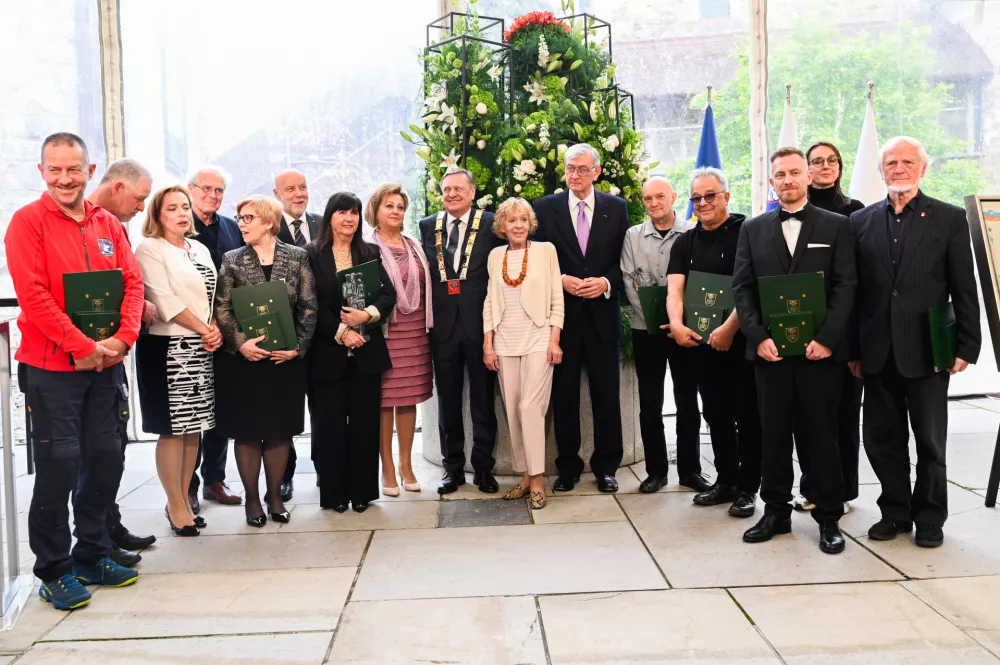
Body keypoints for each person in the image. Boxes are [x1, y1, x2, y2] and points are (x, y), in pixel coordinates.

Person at [7, 133, 144, 610]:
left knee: (106, 458)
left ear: (90, 171)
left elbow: (132, 284)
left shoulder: (108, 223)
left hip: (106, 365)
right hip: (52, 370)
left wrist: (122, 340)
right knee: (58, 466)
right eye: (55, 169)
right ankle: (54, 569)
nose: (65, 178)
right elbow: (34, 294)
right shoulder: (27, 223)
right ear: (42, 172)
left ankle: (92, 554)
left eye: (74, 169)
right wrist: (79, 346)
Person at [851, 136, 981, 548]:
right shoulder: (861, 222)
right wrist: (853, 350)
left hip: (929, 352)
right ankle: (895, 512)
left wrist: (966, 345)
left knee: (930, 441)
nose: (899, 168)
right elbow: (855, 293)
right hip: (876, 352)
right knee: (880, 439)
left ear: (922, 169)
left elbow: (964, 287)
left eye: (908, 162)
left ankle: (929, 516)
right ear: (882, 170)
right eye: (891, 163)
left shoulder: (948, 218)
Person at [732, 147, 856, 554]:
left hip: (820, 354)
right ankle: (776, 512)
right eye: (779, 175)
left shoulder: (838, 226)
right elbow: (743, 289)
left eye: (793, 173)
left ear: (808, 177)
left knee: (822, 436)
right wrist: (756, 336)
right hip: (770, 355)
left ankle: (829, 518)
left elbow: (846, 286)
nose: (787, 180)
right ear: (772, 182)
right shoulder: (752, 229)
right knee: (773, 436)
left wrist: (828, 339)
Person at [214, 195, 317, 526]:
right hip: (244, 363)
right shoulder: (231, 259)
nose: (241, 224)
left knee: (279, 431)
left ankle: (275, 497)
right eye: (240, 218)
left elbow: (309, 305)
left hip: (284, 361)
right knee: (246, 433)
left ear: (269, 222)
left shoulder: (298, 256)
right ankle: (252, 501)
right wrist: (241, 344)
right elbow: (223, 308)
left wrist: (298, 346)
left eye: (248, 218)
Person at [534, 143, 630, 493]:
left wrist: (605, 282)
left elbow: (625, 262)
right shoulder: (545, 209)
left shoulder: (617, 209)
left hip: (603, 317)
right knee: (564, 395)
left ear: (597, 172)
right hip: (563, 319)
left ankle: (607, 467)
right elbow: (534, 261)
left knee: (607, 395)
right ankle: (568, 468)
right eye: (570, 168)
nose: (575, 175)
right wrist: (558, 279)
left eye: (582, 169)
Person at [666, 168, 762, 518]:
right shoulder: (685, 241)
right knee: (716, 413)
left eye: (709, 196)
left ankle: (749, 488)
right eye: (696, 198)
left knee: (747, 416)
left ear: (726, 196)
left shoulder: (749, 232)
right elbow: (676, 288)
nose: (702, 203)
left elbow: (752, 286)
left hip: (740, 344)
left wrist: (729, 328)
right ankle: (726, 481)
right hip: (702, 345)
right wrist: (676, 324)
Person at [135, 186, 222, 537]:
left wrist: (214, 326)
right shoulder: (149, 249)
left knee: (193, 428)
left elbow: (210, 295)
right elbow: (163, 299)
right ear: (158, 215)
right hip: (167, 348)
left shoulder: (198, 247)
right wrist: (205, 329)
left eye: (185, 207)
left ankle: (185, 501)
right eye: (172, 208)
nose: (182, 213)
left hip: (200, 347)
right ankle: (174, 504)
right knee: (172, 429)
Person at [85, 159, 157, 565]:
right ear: (116, 188)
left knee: (113, 446)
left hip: (114, 350)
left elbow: (126, 281)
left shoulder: (114, 228)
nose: (140, 207)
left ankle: (110, 525)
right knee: (90, 454)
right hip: (80, 358)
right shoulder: (81, 226)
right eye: (139, 198)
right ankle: (96, 539)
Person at [620, 176, 711, 494]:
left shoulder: (693, 233)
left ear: (673, 196)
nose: (654, 203)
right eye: (647, 198)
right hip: (647, 330)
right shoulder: (633, 236)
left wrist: (680, 322)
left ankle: (690, 471)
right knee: (650, 403)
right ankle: (655, 471)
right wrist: (661, 319)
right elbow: (632, 282)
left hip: (686, 332)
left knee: (688, 401)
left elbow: (699, 281)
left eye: (660, 196)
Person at [308, 192, 397, 512]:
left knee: (364, 426)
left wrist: (367, 316)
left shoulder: (368, 251)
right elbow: (309, 304)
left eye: (355, 213)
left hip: (366, 354)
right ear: (329, 216)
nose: (349, 219)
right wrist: (342, 332)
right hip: (327, 355)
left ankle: (362, 493)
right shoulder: (312, 254)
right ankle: (334, 495)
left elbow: (388, 295)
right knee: (329, 428)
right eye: (342, 212)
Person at [419, 169, 504, 494]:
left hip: (480, 326)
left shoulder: (491, 223)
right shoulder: (428, 225)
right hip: (442, 328)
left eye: (458, 188)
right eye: (447, 189)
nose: (452, 194)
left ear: (471, 192)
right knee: (448, 403)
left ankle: (483, 468)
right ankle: (451, 468)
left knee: (483, 401)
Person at [793, 142, 867, 514]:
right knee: (807, 417)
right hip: (799, 330)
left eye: (831, 160)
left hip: (842, 332)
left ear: (840, 166)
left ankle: (843, 491)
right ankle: (811, 488)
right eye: (817, 161)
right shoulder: (790, 212)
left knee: (843, 416)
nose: (825, 166)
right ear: (806, 169)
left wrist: (850, 341)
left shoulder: (855, 212)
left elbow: (857, 279)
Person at [484, 198, 564, 509]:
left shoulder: (545, 251)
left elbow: (557, 297)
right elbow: (491, 301)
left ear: (530, 224)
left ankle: (538, 481)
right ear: (501, 226)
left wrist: (554, 338)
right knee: (514, 409)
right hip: (504, 341)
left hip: (538, 337)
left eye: (523, 219)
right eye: (511, 220)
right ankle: (526, 476)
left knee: (531, 407)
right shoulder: (495, 256)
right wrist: (487, 343)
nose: (518, 225)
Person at [366, 183, 433, 496]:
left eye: (400, 207)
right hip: (385, 333)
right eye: (389, 206)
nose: (395, 212)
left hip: (416, 331)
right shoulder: (366, 247)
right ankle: (387, 468)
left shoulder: (414, 244)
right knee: (384, 401)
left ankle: (407, 464)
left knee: (409, 399)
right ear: (376, 211)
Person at [188, 165, 244, 511]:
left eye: (219, 190)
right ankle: (187, 485)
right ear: (190, 189)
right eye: (206, 188)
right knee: (191, 414)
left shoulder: (232, 228)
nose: (213, 195)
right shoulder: (178, 225)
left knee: (221, 411)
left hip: (226, 332)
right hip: (190, 332)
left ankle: (214, 479)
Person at [272, 168, 323, 501]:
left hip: (321, 335)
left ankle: (324, 470)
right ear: (277, 195)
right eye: (290, 189)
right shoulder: (267, 226)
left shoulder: (322, 223)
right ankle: (285, 476)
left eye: (302, 187)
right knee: (286, 411)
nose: (298, 194)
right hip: (284, 334)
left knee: (322, 409)